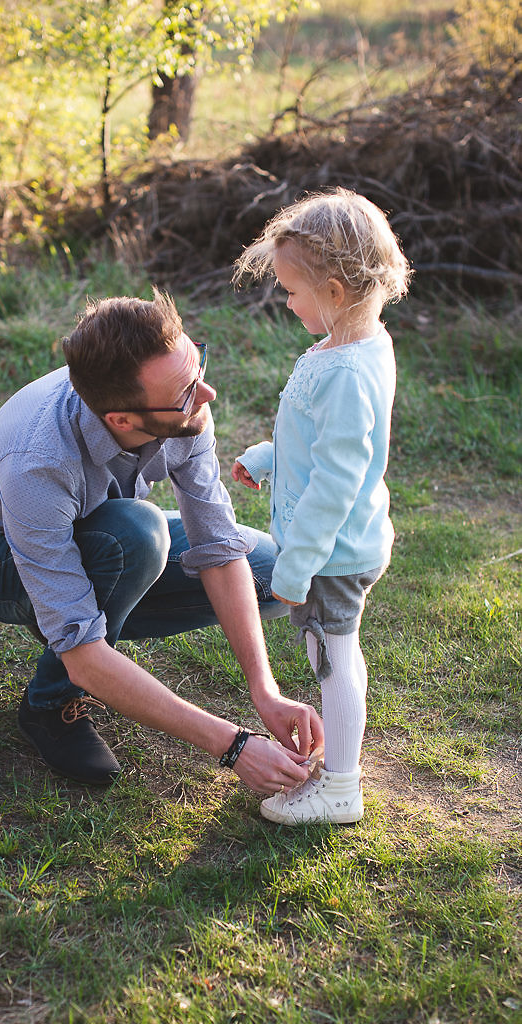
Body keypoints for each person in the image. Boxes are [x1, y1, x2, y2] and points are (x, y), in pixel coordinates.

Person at [0, 289, 324, 794]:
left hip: (103, 528)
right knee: (135, 539)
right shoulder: (38, 461)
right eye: (187, 391)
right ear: (122, 420)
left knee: (274, 574)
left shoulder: (183, 406)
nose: (207, 394)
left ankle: (108, 639)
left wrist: (266, 690)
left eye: (198, 367)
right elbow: (79, 647)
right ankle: (49, 705)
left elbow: (217, 545)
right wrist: (233, 745)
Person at [232, 187, 411, 825]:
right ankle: (338, 767)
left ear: (335, 292)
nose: (286, 301)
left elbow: (338, 479)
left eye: (292, 290)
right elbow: (314, 440)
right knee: (329, 654)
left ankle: (341, 786)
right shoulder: (348, 347)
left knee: (334, 661)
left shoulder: (349, 370)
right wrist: (265, 456)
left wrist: (295, 566)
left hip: (333, 553)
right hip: (332, 547)